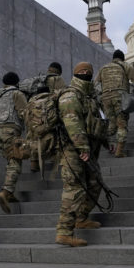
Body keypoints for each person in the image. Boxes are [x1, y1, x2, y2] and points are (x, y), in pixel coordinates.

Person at [55, 62, 106, 247]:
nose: (86, 74)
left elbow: (97, 122)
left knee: (95, 183)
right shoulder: (70, 95)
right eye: (82, 72)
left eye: (89, 72)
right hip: (72, 149)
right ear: (75, 74)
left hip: (89, 150)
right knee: (74, 188)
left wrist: (106, 142)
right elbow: (72, 122)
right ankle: (64, 232)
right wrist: (82, 147)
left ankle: (81, 218)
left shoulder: (90, 97)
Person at [95, 49, 134, 157]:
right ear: (122, 58)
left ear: (113, 58)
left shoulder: (103, 68)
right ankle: (119, 151)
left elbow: (96, 84)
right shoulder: (124, 66)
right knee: (122, 124)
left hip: (106, 99)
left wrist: (100, 98)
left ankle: (104, 141)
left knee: (111, 125)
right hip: (120, 98)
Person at [0, 72, 32, 214]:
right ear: (17, 82)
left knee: (10, 160)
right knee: (16, 161)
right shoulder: (17, 93)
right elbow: (24, 113)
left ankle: (11, 192)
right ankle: (5, 192)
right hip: (10, 130)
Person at [27, 62, 67, 173]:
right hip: (50, 113)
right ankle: (56, 159)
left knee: (33, 136)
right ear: (59, 71)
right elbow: (63, 95)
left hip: (34, 114)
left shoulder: (39, 79)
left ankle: (34, 162)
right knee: (57, 134)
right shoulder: (58, 79)